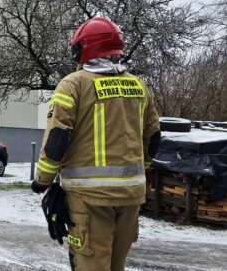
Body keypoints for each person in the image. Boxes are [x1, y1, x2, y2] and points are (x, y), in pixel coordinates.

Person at [31, 17, 160, 271]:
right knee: (116, 266)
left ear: (85, 48)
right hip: (131, 197)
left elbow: (57, 139)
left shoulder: (73, 85)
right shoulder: (139, 86)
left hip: (89, 198)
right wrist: (139, 171)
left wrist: (42, 181)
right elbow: (153, 137)